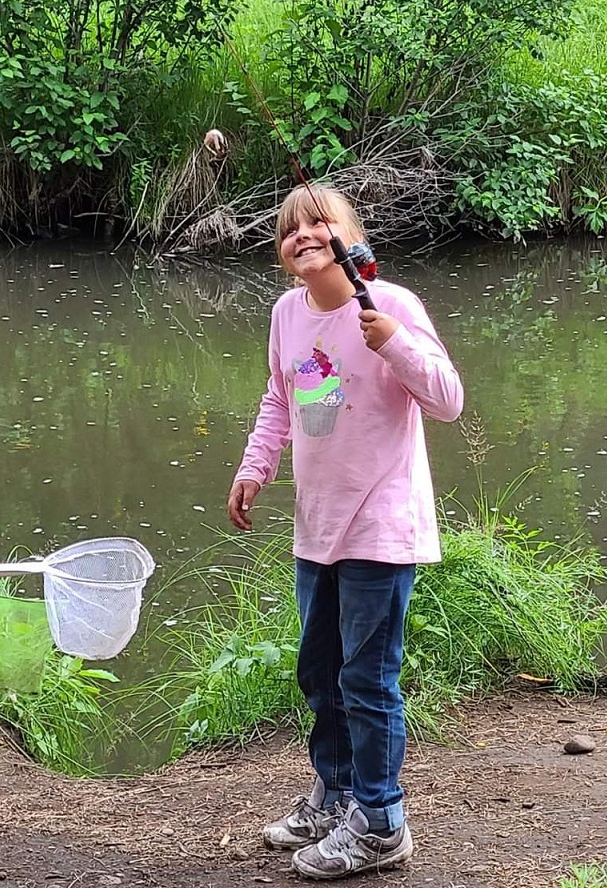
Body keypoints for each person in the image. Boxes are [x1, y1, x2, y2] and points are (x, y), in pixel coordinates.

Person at [227, 184, 464, 880]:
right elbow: (283, 397)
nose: (302, 235)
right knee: (319, 673)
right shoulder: (286, 315)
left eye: (318, 223)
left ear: (352, 239)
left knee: (367, 679)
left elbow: (447, 401)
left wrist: (394, 346)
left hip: (381, 527)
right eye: (288, 231)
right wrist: (254, 466)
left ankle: (383, 823)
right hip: (316, 526)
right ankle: (335, 798)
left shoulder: (391, 307)